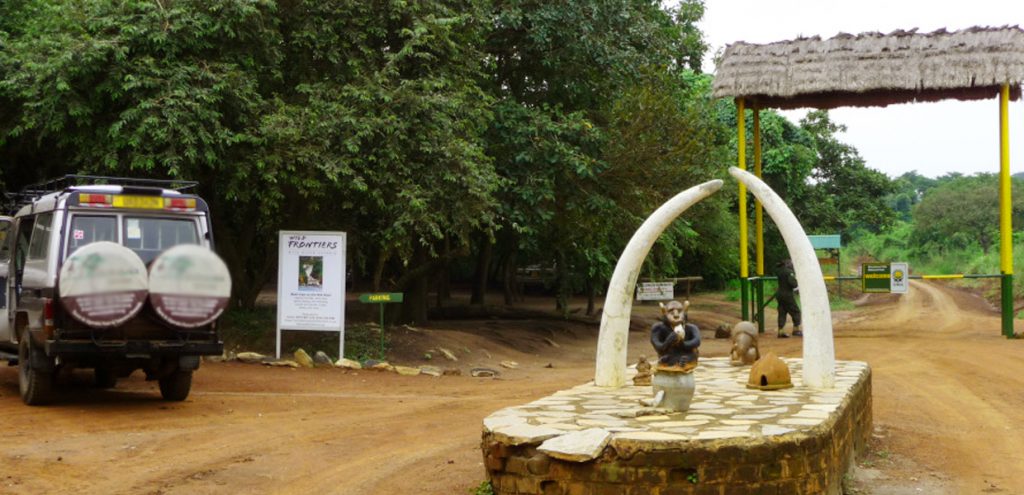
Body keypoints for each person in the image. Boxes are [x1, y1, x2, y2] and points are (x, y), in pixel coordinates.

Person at [650, 300, 701, 370]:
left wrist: (683, 344)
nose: (676, 315)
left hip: (687, 354)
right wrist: (668, 341)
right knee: (666, 359)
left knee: (690, 356)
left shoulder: (691, 328)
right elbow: (658, 346)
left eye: (679, 311)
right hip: (668, 355)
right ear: (665, 313)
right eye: (671, 312)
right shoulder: (658, 328)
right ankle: (674, 362)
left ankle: (684, 362)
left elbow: (696, 341)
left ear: (684, 312)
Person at [774, 259, 802, 338]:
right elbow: (792, 283)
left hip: (779, 294)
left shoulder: (780, 271)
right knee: (796, 311)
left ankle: (781, 331)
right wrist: (797, 287)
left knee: (782, 312)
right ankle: (796, 329)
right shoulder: (789, 272)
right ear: (788, 264)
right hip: (787, 295)